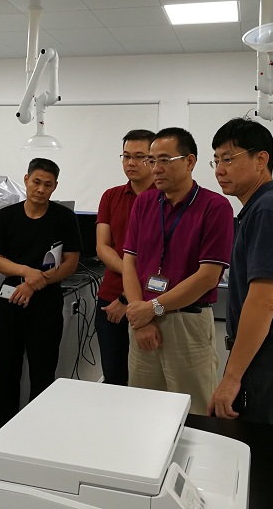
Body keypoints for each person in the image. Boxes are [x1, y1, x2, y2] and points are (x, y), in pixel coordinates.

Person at [207, 118, 273, 427]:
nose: (219, 170)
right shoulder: (260, 209)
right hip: (263, 358)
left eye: (229, 159)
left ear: (261, 159)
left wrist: (231, 378)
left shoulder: (270, 210)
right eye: (216, 161)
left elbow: (264, 301)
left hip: (269, 362)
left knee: (264, 454)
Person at [122, 127, 233, 414]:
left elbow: (208, 277)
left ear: (190, 161)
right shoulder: (144, 203)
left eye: (164, 160)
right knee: (143, 409)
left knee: (194, 410)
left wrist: (153, 308)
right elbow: (130, 262)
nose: (155, 169)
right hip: (142, 319)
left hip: (187, 322)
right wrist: (141, 318)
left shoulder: (215, 207)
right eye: (152, 160)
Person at [0, 158, 81, 430]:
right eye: (36, 182)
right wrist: (26, 272)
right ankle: (3, 434)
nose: (41, 189)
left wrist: (34, 283)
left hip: (46, 304)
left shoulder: (64, 218)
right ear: (26, 179)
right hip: (9, 300)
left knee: (43, 375)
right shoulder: (7, 216)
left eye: (47, 185)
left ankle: (37, 434)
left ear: (55, 187)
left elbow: (71, 263)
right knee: (6, 374)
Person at [95, 129, 156, 385]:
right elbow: (103, 246)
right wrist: (128, 275)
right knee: (114, 377)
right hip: (110, 300)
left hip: (151, 301)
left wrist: (127, 297)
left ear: (154, 160)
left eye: (139, 157)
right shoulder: (111, 196)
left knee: (148, 382)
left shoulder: (165, 198)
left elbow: (162, 260)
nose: (131, 163)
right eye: (126, 156)